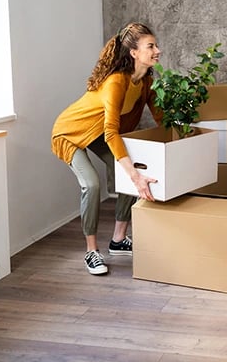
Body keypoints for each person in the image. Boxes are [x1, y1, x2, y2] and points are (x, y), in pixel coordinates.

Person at [51, 22, 163, 275]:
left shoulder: (145, 81)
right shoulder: (116, 82)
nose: (158, 50)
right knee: (92, 184)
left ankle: (118, 240)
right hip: (70, 133)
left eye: (156, 45)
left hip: (98, 133)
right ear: (134, 52)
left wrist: (184, 135)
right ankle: (92, 251)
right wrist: (135, 174)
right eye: (151, 46)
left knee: (129, 174)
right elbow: (112, 131)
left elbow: (161, 118)